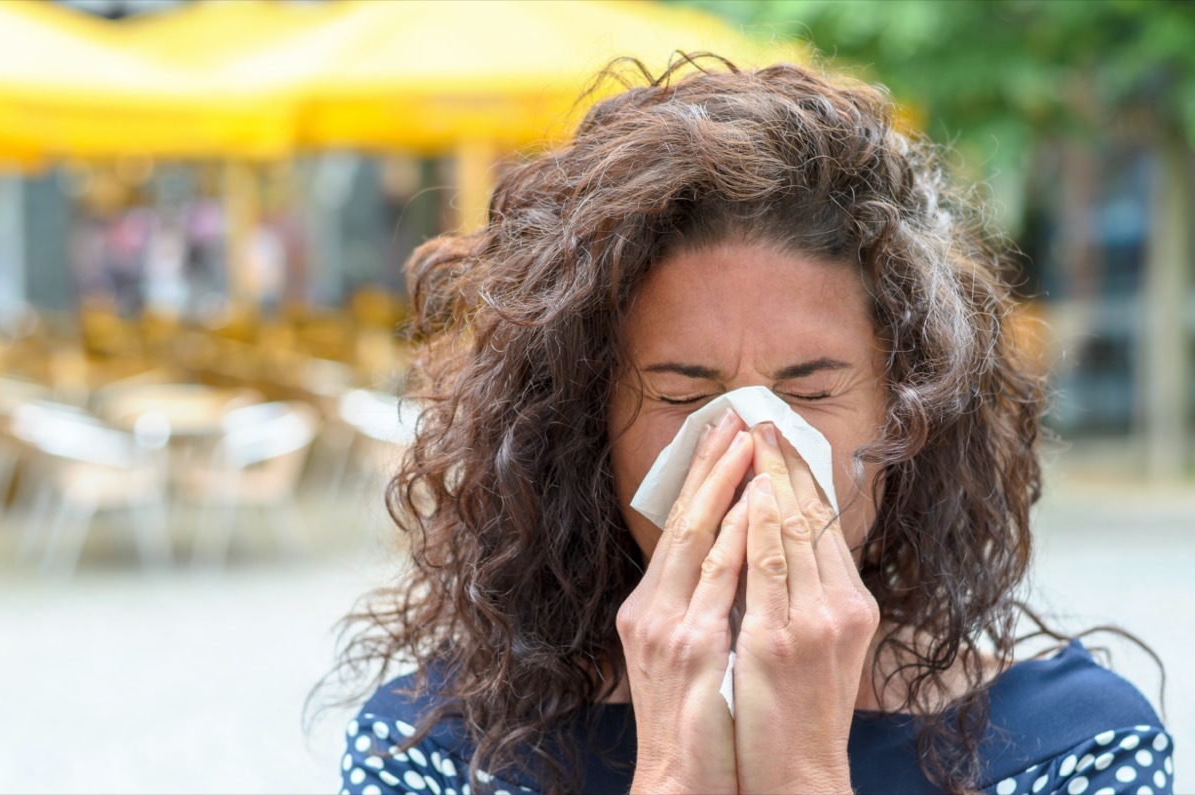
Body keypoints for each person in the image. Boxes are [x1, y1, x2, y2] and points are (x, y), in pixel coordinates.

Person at [333, 55, 1172, 795]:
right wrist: (668, 773)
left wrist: (805, 774)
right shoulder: (439, 751)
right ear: (585, 430)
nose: (747, 441)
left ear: (908, 413)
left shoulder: (1075, 747)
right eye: (680, 392)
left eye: (807, 391)